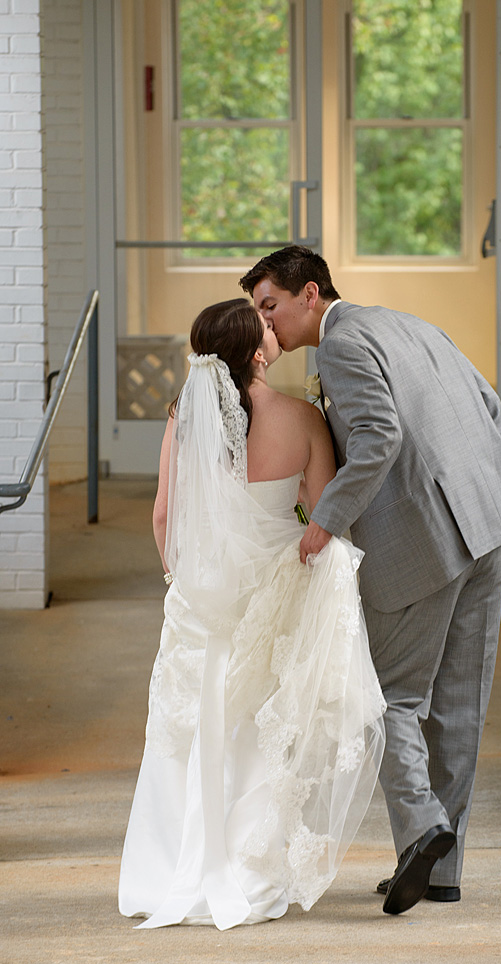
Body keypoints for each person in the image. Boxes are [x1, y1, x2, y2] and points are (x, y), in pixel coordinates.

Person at [240, 246, 501, 916]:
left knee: (387, 697)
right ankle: (443, 870)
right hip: (487, 525)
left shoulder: (342, 348)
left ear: (309, 294)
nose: (267, 323)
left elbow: (379, 435)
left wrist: (325, 518)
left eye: (270, 306)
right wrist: (479, 486)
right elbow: (489, 403)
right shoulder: (411, 325)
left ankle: (422, 831)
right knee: (459, 707)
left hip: (425, 541)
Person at [118, 298, 385, 930]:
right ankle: (251, 868)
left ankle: (165, 870)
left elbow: (163, 514)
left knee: (190, 729)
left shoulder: (186, 417)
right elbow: (325, 512)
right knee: (262, 730)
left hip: (203, 593)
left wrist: (183, 578)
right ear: (258, 353)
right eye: (266, 327)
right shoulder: (302, 419)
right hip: (276, 586)